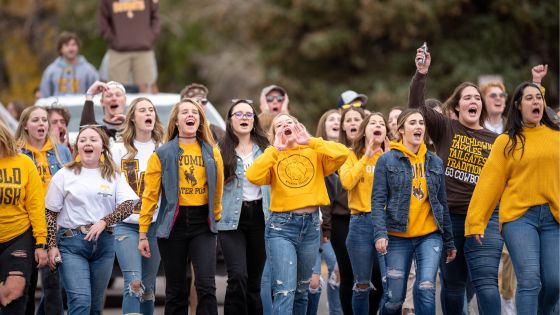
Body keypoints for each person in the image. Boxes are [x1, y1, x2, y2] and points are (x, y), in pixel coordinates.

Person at [408, 47, 503, 314]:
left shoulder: (495, 141)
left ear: (480, 106)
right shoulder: (445, 128)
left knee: (485, 282)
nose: (473, 101)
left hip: (484, 219)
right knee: (453, 285)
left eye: (477, 97)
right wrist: (421, 74)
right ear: (457, 105)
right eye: (467, 97)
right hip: (449, 220)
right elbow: (416, 108)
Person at [465, 81, 559, 315]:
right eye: (529, 98)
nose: (535, 102)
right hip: (519, 219)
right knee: (529, 280)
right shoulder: (506, 142)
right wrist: (476, 221)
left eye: (538, 98)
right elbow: (489, 184)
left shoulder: (557, 138)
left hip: (553, 219)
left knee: (555, 282)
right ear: (517, 106)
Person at [246, 113, 349, 315]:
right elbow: (252, 176)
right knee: (285, 291)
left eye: (289, 122)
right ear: (274, 134)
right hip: (281, 228)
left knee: (302, 291)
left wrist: (311, 141)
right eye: (279, 125)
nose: (285, 125)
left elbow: (343, 154)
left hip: (311, 226)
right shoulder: (273, 155)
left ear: (298, 127)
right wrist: (275, 149)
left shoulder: (314, 151)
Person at [138, 98, 224, 315]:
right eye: (185, 112)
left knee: (206, 286)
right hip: (172, 225)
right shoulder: (162, 153)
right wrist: (142, 232)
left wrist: (215, 216)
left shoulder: (212, 152)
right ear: (176, 121)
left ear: (200, 120)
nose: (190, 116)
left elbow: (219, 187)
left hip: (203, 224)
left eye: (194, 113)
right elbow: (150, 195)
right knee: (175, 290)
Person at [45, 125, 138, 314]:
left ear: (103, 146)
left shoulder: (112, 174)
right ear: (76, 146)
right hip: (72, 245)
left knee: (95, 308)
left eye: (93, 140)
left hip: (104, 245)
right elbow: (50, 212)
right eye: (83, 140)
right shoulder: (64, 174)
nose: (88, 143)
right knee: (80, 302)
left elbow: (129, 204)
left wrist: (104, 221)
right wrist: (52, 245)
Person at [373, 109, 456, 315]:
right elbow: (377, 200)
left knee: (426, 287)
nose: (419, 126)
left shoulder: (434, 161)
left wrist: (449, 240)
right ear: (401, 129)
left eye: (421, 123)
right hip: (398, 235)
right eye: (412, 123)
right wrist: (380, 233)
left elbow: (442, 203)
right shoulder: (387, 160)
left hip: (429, 236)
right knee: (394, 300)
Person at [15, 106, 72, 315]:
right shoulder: (17, 152)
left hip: (53, 223)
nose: (41, 124)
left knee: (53, 285)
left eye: (43, 120)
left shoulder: (61, 151)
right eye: (35, 120)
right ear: (25, 126)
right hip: (24, 225)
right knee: (25, 284)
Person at [110, 97, 164, 314]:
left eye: (151, 109)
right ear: (132, 117)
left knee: (148, 288)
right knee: (134, 283)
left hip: (154, 224)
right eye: (143, 110)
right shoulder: (117, 149)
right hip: (127, 224)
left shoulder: (163, 148)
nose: (148, 113)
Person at [217, 99, 270, 314]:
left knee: (254, 283)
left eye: (248, 114)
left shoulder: (266, 148)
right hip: (231, 219)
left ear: (254, 120)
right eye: (238, 114)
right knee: (238, 275)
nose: (244, 118)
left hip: (260, 217)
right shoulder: (220, 149)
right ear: (230, 120)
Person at [339, 113, 388, 314]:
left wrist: (390, 158)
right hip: (360, 223)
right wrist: (367, 154)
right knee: (362, 285)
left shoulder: (390, 155)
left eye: (381, 123)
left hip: (385, 223)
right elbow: (347, 182)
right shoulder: (350, 154)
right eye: (373, 123)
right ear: (364, 130)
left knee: (390, 282)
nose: (378, 125)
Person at [0, 121, 48, 315]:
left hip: (18, 236)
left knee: (14, 293)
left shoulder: (24, 162)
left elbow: (35, 205)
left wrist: (41, 242)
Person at [306, 109, 343, 315]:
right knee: (312, 280)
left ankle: (336, 311)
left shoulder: (350, 152)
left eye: (340, 119)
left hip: (341, 224)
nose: (336, 122)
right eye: (332, 119)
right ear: (324, 124)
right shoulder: (316, 152)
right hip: (318, 223)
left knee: (338, 271)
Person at [98, 0, 160, 93]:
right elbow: (102, 20)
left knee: (147, 90)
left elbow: (156, 17)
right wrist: (113, 40)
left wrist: (149, 38)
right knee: (115, 89)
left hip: (143, 50)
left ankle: (144, 108)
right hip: (118, 51)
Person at [39, 31, 99, 97]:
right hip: (57, 107)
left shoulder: (89, 70)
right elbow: (44, 96)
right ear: (60, 49)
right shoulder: (50, 71)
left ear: (78, 47)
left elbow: (97, 94)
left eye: (73, 44)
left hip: (82, 107)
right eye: (67, 45)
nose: (71, 48)